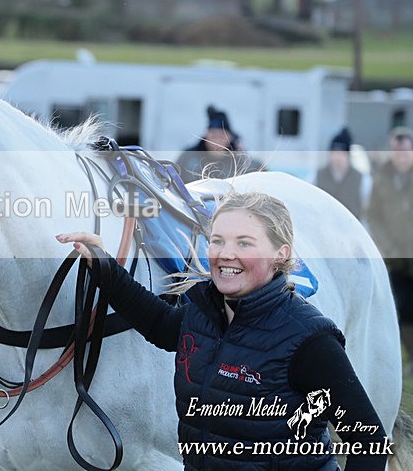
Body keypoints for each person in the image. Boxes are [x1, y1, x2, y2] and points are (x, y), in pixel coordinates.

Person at [57, 191, 387, 469]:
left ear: (280, 253)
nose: (226, 254)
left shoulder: (308, 339)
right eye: (218, 241)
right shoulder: (203, 314)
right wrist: (105, 267)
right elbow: (159, 324)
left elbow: (368, 438)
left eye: (244, 243)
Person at [367, 126, 413, 371]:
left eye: (406, 152)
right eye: (398, 152)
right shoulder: (382, 178)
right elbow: (373, 215)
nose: (402, 157)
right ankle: (407, 356)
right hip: (395, 256)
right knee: (398, 308)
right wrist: (388, 245)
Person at [175, 106, 262, 183]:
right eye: (213, 135)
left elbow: (261, 173)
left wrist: (242, 153)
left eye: (221, 136)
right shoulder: (189, 156)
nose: (216, 140)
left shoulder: (239, 160)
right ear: (206, 135)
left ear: (230, 137)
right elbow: (173, 178)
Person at [314, 127, 366, 220]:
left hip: (351, 231)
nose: (337, 158)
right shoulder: (318, 176)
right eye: (334, 153)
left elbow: (366, 212)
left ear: (348, 155)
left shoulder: (361, 179)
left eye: (341, 153)